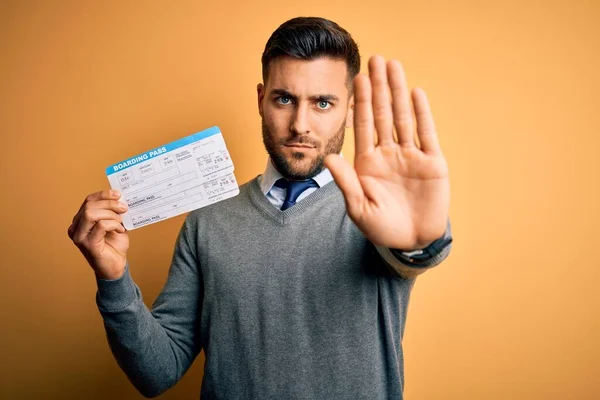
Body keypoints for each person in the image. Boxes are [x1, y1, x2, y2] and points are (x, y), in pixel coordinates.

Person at [68, 16, 452, 399]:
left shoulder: (381, 215)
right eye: (284, 99)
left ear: (349, 111)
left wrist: (420, 243)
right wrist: (113, 277)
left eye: (322, 103)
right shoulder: (207, 221)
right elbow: (157, 371)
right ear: (260, 99)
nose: (300, 124)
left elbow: (412, 251)